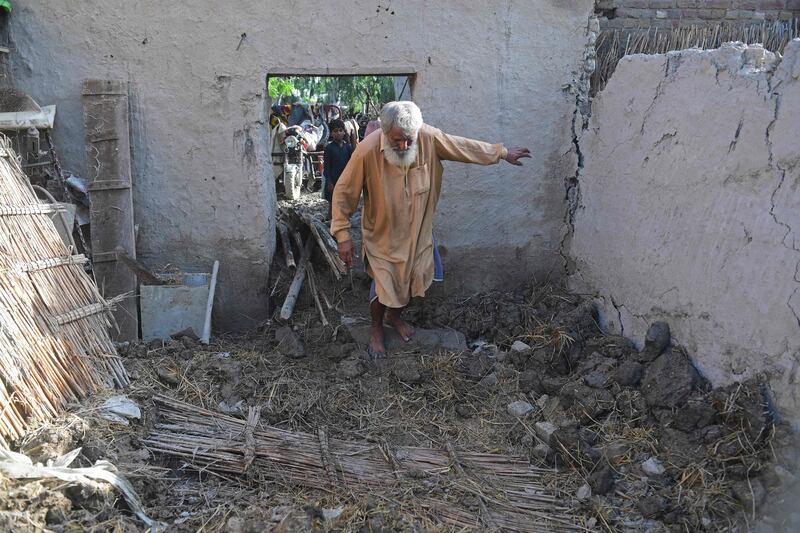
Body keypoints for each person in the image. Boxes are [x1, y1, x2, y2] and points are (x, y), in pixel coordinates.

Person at [330, 101, 530, 355]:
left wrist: (501, 153)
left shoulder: (428, 138)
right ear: (384, 132)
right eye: (396, 140)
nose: (403, 146)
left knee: (417, 281)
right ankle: (377, 329)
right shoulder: (367, 150)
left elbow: (463, 147)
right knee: (384, 289)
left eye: (409, 140)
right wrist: (343, 235)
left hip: (418, 233)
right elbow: (343, 192)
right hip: (382, 236)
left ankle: (395, 317)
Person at [323, 119, 353, 219]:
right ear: (331, 133)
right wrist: (329, 182)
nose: (338, 133)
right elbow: (326, 167)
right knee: (333, 201)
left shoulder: (348, 147)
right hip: (333, 179)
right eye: (335, 131)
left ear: (344, 132)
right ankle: (329, 220)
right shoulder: (329, 148)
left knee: (344, 200)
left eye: (340, 130)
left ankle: (343, 220)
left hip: (345, 179)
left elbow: (351, 165)